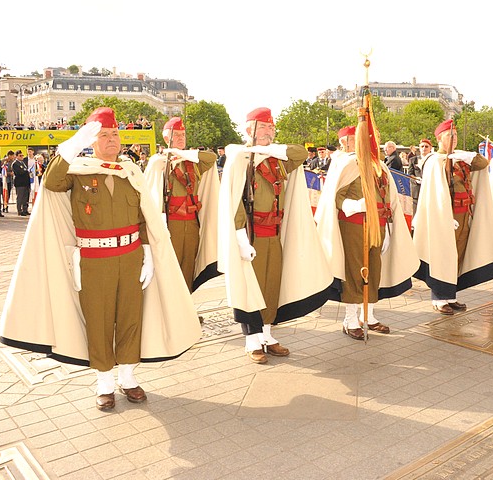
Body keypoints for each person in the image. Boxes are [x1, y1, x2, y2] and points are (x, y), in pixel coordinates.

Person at [0, 107, 202, 411]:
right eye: (103, 135)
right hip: (94, 259)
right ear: (91, 141)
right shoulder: (77, 171)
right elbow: (52, 181)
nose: (111, 140)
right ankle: (104, 383)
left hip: (131, 255)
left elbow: (144, 215)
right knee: (99, 320)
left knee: (131, 319)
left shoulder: (131, 172)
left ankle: (128, 377)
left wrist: (147, 251)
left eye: (114, 134)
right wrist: (71, 144)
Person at [218, 107, 332, 363]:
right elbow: (234, 200)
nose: (269, 131)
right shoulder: (240, 158)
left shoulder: (275, 158)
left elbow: (300, 154)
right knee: (250, 288)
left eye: (271, 127)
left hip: (274, 233)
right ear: (250, 130)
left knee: (271, 285)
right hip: (251, 233)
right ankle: (251, 341)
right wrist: (239, 236)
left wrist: (268, 149)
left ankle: (267, 335)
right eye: (263, 127)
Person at [314, 125, 418, 339]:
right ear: (346, 142)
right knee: (354, 271)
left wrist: (388, 227)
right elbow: (335, 196)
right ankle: (350, 319)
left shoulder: (378, 164)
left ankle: (368, 315)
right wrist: (353, 205)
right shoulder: (345, 163)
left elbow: (388, 196)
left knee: (373, 270)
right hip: (353, 225)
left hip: (378, 224)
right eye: (357, 138)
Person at [413, 119, 493, 315]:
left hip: (464, 215)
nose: (454, 139)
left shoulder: (459, 160)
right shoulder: (434, 161)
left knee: (458, 255)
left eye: (455, 135)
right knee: (442, 256)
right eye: (450, 136)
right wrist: (445, 214)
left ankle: (451, 295)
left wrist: (469, 155)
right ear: (439, 139)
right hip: (446, 216)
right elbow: (436, 193)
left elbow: (483, 164)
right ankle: (439, 298)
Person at [144, 117, 220, 293]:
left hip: (191, 223)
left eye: (183, 135)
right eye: (176, 135)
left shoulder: (192, 161)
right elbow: (152, 195)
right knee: (170, 270)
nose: (180, 138)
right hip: (172, 224)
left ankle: (187, 311)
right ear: (166, 138)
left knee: (188, 268)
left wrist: (186, 154)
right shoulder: (158, 162)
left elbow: (211, 158)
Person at [408, 139, 432, 218]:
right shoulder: (413, 160)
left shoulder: (434, 160)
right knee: (416, 214)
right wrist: (416, 179)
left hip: (429, 190)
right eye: (422, 146)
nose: (424, 148)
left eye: (426, 146)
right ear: (419, 148)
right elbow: (410, 174)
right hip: (416, 191)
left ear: (430, 148)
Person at [11, 150, 30, 216]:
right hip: (20, 183)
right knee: (20, 197)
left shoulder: (23, 163)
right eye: (20, 156)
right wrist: (26, 171)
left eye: (22, 155)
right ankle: (19, 210)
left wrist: (26, 171)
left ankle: (25, 209)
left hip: (25, 183)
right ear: (16, 156)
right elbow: (19, 172)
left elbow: (25, 170)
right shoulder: (15, 164)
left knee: (25, 197)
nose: (22, 157)